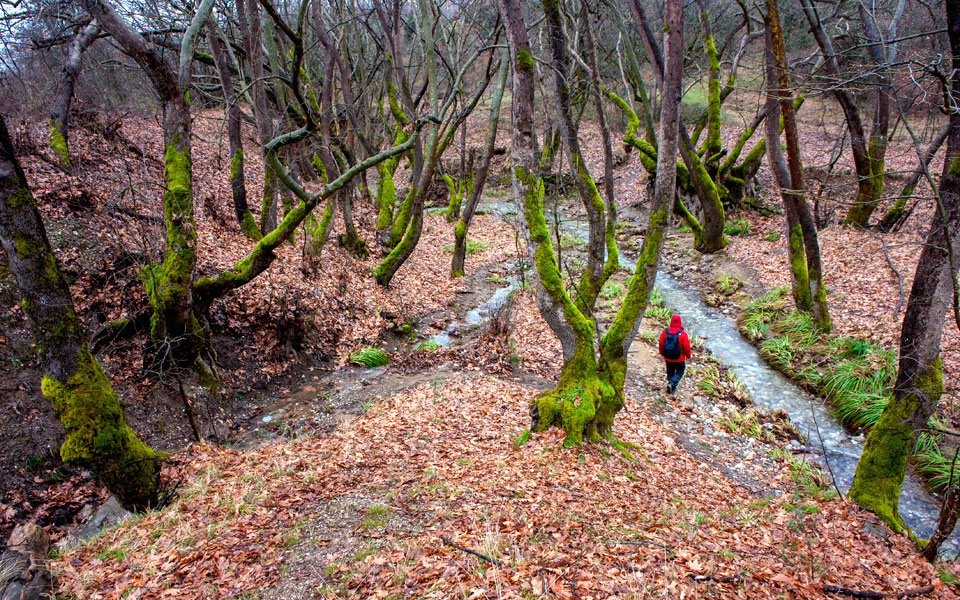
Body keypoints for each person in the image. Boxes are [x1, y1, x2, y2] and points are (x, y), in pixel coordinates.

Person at [658, 314, 692, 395]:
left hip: (668, 357)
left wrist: (661, 353)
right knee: (680, 371)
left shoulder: (665, 331)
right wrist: (688, 356)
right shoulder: (682, 333)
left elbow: (661, 343)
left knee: (670, 371)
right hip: (679, 358)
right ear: (679, 322)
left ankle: (670, 385)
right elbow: (686, 347)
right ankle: (672, 384)